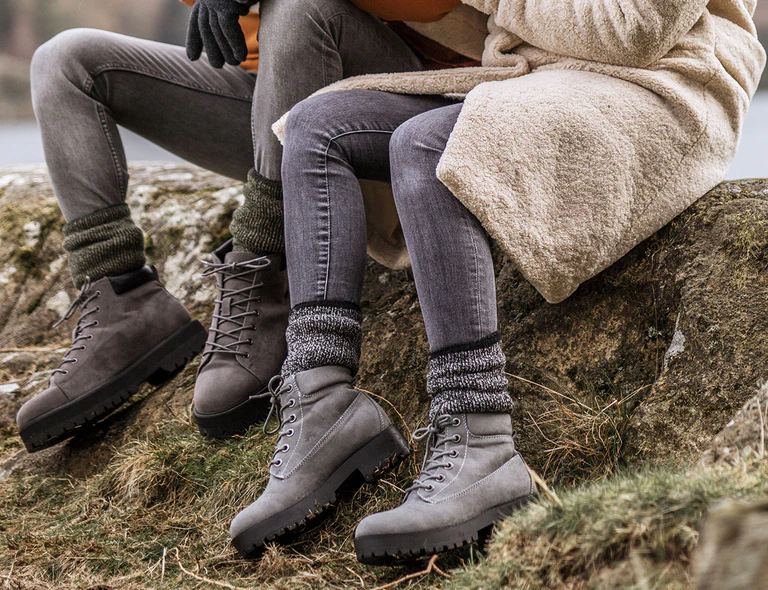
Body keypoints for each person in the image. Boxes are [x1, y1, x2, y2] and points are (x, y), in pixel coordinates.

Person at [229, 0, 765, 563]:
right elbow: (490, 26)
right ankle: (321, 406)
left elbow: (636, 31)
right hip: (533, 79)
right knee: (315, 127)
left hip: (662, 88)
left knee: (427, 145)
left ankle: (482, 443)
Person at [15, 0, 485, 452]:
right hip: (280, 99)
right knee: (65, 60)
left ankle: (267, 265)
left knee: (297, 4)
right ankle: (125, 302)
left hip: (420, 99)